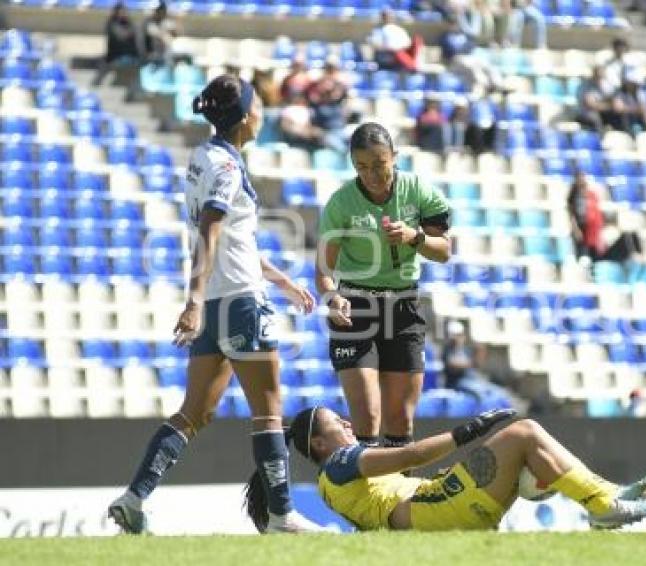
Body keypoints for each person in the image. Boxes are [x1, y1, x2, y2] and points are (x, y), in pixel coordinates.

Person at [107, 75, 321, 534]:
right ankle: (282, 515)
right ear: (246, 116)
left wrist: (283, 281)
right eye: (259, 104)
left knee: (194, 413)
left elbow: (231, 239)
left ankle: (134, 497)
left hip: (220, 305)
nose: (264, 111)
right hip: (239, 303)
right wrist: (193, 300)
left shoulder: (205, 159)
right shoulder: (226, 167)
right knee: (268, 411)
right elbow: (210, 232)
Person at [245, 407, 646, 531]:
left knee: (529, 445)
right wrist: (469, 431)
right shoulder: (339, 462)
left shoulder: (333, 480)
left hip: (435, 511)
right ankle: (602, 503)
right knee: (525, 431)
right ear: (320, 443)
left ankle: (604, 498)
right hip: (437, 508)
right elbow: (410, 456)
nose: (350, 426)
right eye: (340, 423)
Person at [315, 122, 452, 449]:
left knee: (400, 421)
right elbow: (323, 269)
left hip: (404, 307)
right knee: (367, 416)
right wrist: (332, 297)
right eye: (362, 167)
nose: (372, 175)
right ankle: (364, 498)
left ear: (395, 157)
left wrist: (415, 237)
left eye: (379, 165)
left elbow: (444, 251)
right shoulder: (341, 203)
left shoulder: (419, 191)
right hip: (355, 309)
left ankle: (398, 499)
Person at [567, 171, 644, 265]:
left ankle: (638, 259)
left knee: (630, 235)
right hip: (598, 256)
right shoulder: (580, 230)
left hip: (602, 249)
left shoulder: (593, 214)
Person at [442, 319, 512, 403]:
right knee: (480, 394)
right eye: (457, 335)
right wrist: (472, 362)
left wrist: (481, 351)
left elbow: (477, 365)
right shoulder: (448, 351)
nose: (459, 338)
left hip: (472, 379)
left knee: (498, 391)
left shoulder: (465, 350)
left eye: (460, 335)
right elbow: (454, 365)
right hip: (457, 383)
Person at [440, 16, 505, 96]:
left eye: (455, 24)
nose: (454, 26)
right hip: (454, 60)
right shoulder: (445, 37)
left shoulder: (464, 35)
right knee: (472, 67)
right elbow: (450, 50)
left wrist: (464, 49)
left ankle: (498, 84)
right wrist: (463, 50)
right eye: (452, 24)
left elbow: (471, 45)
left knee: (485, 63)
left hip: (468, 56)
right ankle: (485, 85)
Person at [305, 59, 349, 153]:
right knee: (338, 145)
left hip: (340, 131)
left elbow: (343, 91)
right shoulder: (315, 104)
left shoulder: (338, 102)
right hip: (325, 134)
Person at [92, 2, 140, 87]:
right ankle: (95, 85)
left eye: (125, 11)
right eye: (122, 11)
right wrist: (132, 31)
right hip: (114, 56)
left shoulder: (129, 23)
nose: (124, 13)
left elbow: (136, 35)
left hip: (130, 56)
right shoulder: (112, 24)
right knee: (104, 64)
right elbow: (122, 36)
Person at [577, 67, 616, 132]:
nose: (601, 77)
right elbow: (592, 104)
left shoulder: (602, 84)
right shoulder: (586, 85)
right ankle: (600, 136)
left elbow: (610, 98)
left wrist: (611, 105)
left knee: (616, 114)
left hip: (601, 109)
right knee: (595, 117)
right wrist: (608, 106)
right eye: (599, 75)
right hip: (586, 111)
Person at [143, 1, 180, 66]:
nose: (155, 12)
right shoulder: (147, 23)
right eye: (154, 10)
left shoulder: (168, 22)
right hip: (152, 59)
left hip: (167, 57)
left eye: (158, 10)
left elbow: (174, 36)